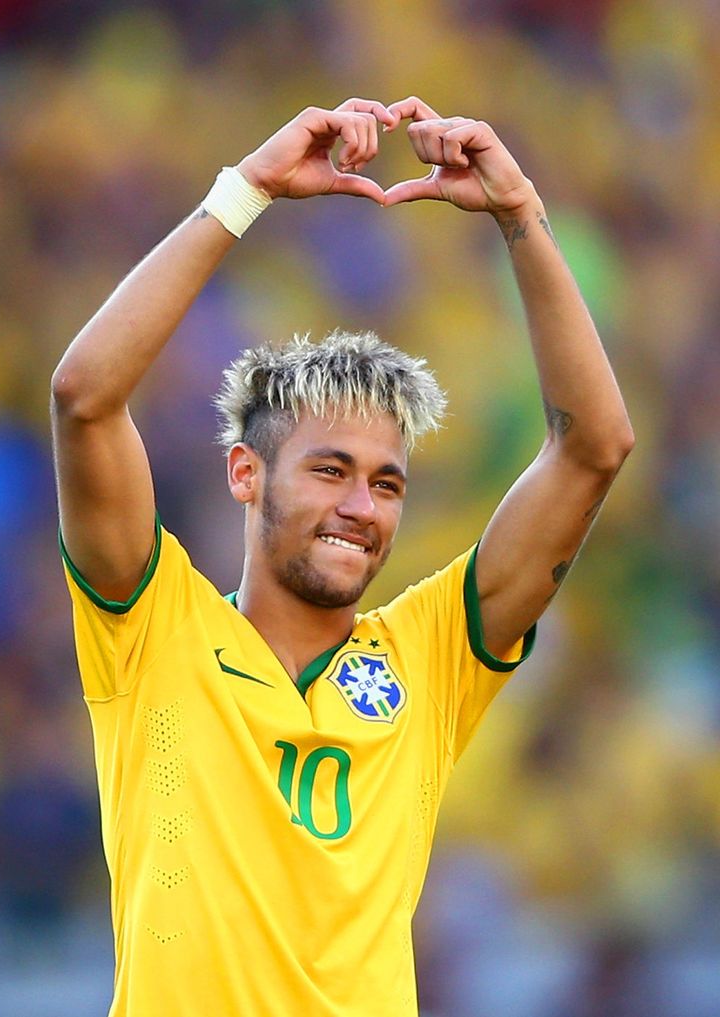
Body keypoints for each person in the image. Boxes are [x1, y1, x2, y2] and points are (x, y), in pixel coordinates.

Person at [51, 96, 634, 1017]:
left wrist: (520, 214)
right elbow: (85, 396)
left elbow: (593, 447)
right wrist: (245, 192)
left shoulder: (431, 657)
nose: (361, 507)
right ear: (246, 471)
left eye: (388, 483)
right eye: (330, 470)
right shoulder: (150, 626)